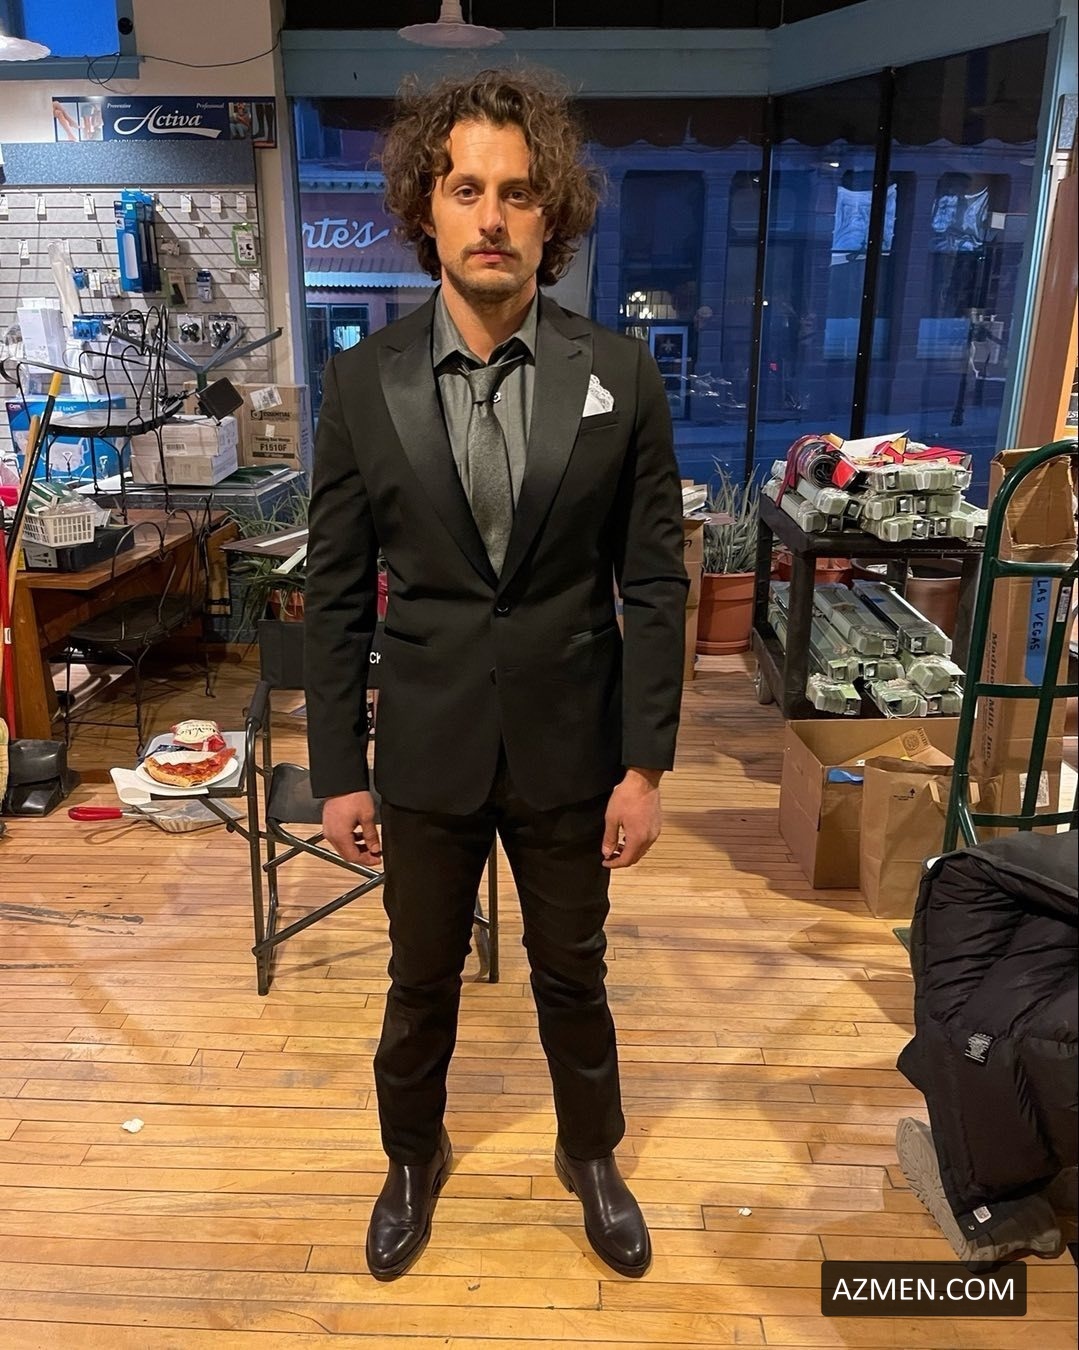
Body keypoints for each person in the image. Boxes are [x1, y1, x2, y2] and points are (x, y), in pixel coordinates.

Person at [303, 68, 688, 1282]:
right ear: (425, 205)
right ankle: (409, 1157)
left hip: (572, 747)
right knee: (418, 978)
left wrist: (644, 765)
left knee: (574, 974)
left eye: (517, 193)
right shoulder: (362, 384)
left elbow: (654, 584)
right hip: (425, 747)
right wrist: (337, 769)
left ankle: (591, 1155)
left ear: (549, 214)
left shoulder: (618, 376)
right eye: (465, 188)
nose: (490, 216)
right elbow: (334, 592)